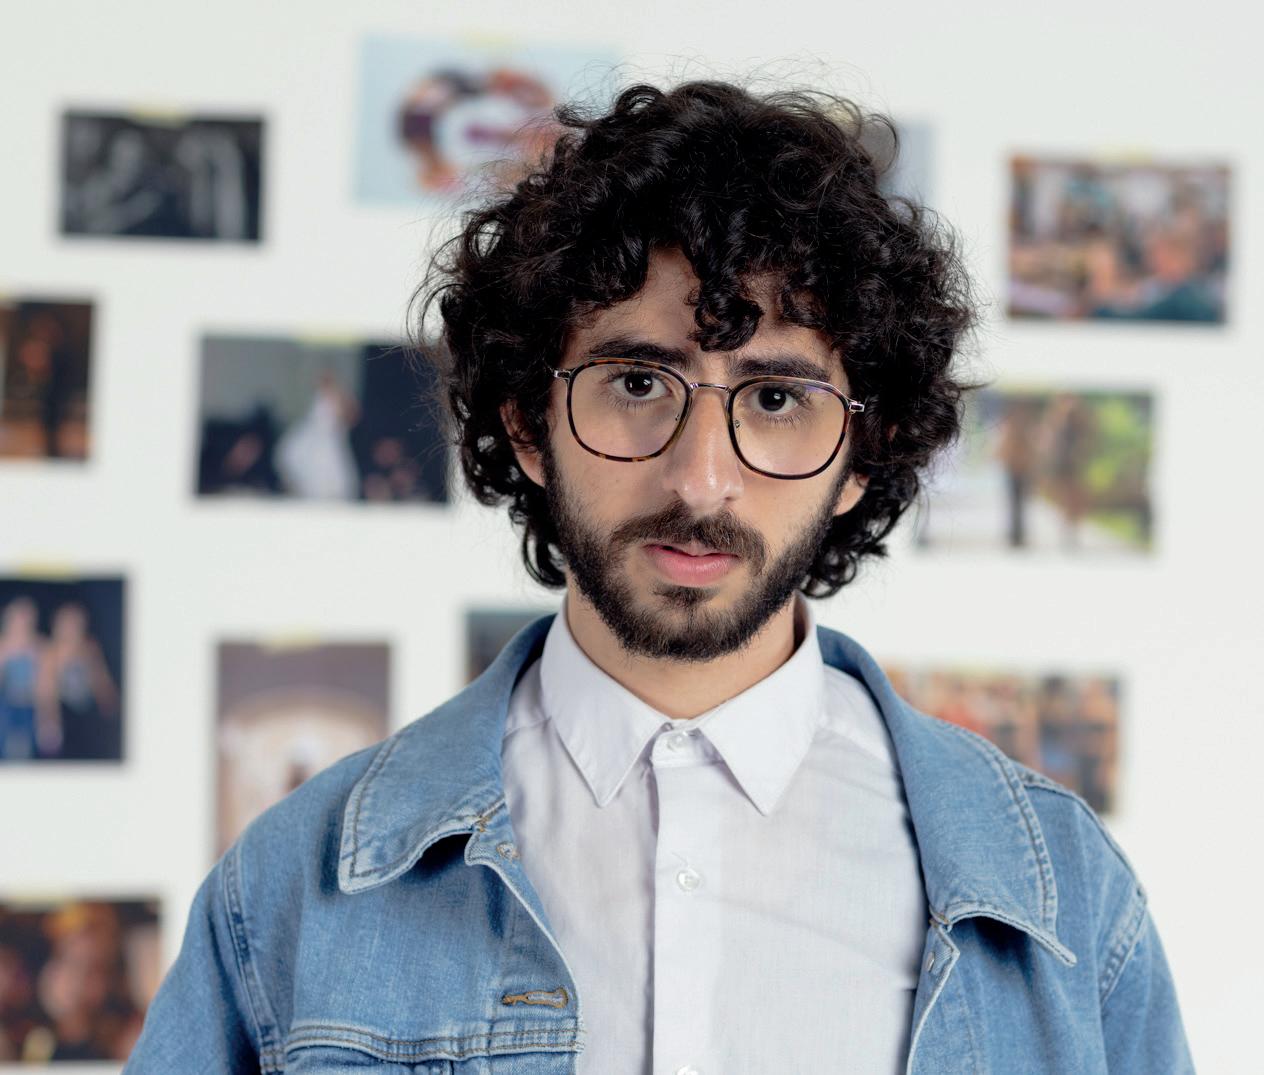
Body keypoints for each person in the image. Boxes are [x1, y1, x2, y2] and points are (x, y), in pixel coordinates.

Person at [126, 80, 1192, 1073]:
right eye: (638, 382)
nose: (701, 478)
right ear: (527, 423)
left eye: (775, 398)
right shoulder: (290, 887)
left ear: (863, 455)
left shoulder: (1062, 893)